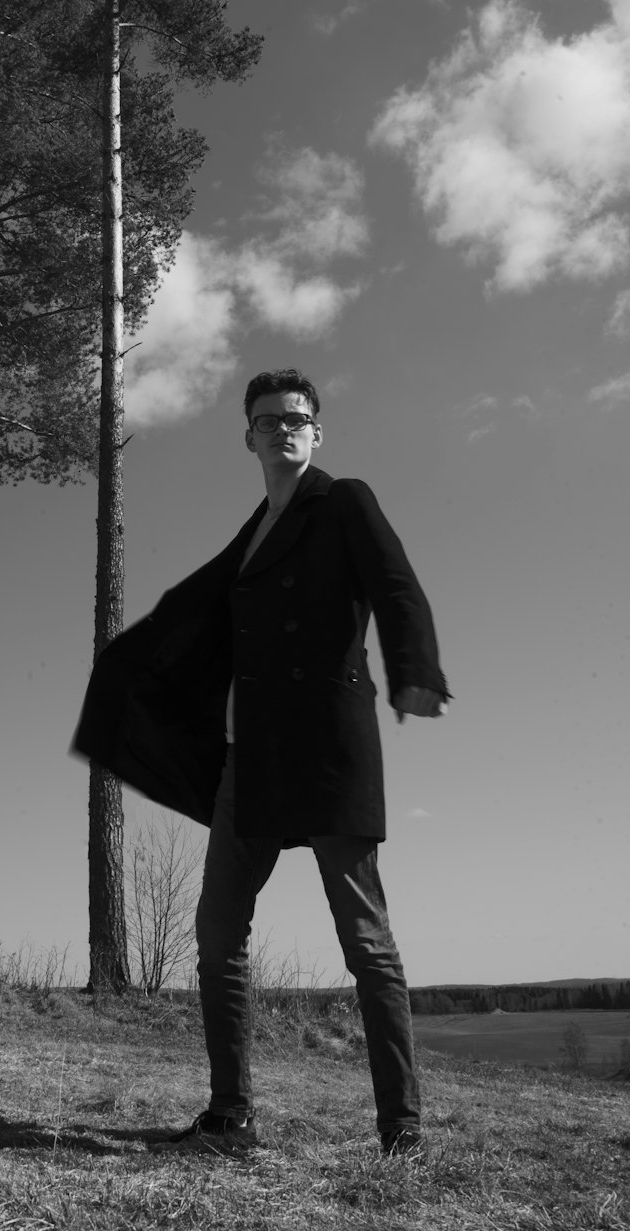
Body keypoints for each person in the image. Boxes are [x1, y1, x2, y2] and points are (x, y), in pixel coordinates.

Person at [73, 368, 449, 1159]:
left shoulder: (343, 500)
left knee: (365, 941)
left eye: (298, 418)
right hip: (251, 764)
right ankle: (230, 1116)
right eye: (268, 419)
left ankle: (402, 1129)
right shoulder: (251, 533)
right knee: (217, 934)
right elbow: (196, 618)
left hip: (328, 755)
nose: (284, 428)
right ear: (248, 436)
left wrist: (413, 667)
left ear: (318, 432)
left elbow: (396, 584)